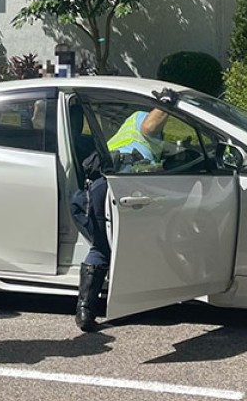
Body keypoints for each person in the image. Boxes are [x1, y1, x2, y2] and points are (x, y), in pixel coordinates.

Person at [72, 89, 177, 332]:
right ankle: (126, 303)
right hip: (121, 185)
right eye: (164, 115)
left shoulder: (131, 134)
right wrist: (167, 104)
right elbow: (150, 126)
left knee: (102, 246)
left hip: (100, 185)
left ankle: (86, 310)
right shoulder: (142, 118)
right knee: (131, 243)